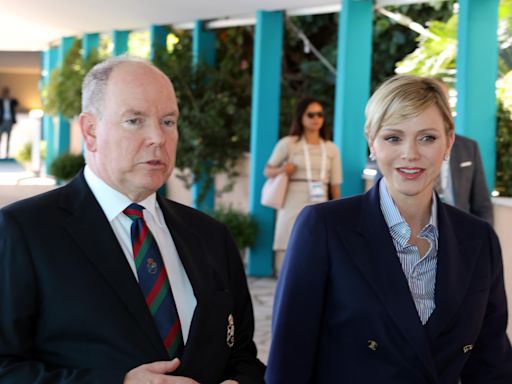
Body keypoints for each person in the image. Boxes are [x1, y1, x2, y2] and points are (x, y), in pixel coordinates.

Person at [0, 56, 265, 384]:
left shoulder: (211, 236)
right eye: (135, 121)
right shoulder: (22, 232)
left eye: (168, 121)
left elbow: (242, 356)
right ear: (91, 130)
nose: (157, 137)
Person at [265, 75, 512, 383]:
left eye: (427, 138)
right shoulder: (324, 227)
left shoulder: (478, 239)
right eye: (393, 137)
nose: (410, 153)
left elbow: (492, 364)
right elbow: (289, 362)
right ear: (372, 141)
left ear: (449, 142)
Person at [263, 98, 342, 275]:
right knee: (288, 241)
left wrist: (338, 209)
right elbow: (267, 171)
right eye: (311, 114)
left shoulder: (331, 148)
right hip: (293, 196)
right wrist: (284, 169)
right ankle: (287, 280)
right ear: (301, 117)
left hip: (320, 197)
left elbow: (335, 183)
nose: (316, 118)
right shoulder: (289, 143)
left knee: (317, 242)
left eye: (320, 114)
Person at [0, 87, 18, 158]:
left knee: (8, 138)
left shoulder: (11, 101)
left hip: (9, 121)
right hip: (2, 121)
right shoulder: (1, 101)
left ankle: (7, 154)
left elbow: (17, 103)